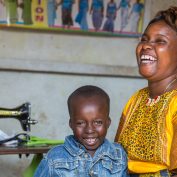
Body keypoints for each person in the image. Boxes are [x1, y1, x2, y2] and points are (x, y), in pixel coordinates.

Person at [114, 6, 177, 177]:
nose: (146, 46)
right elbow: (116, 155)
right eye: (144, 39)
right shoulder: (136, 99)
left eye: (160, 41)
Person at [34, 85, 129, 177]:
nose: (89, 130)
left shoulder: (119, 155)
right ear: (71, 124)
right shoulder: (55, 157)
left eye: (98, 122)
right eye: (80, 123)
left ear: (108, 123)